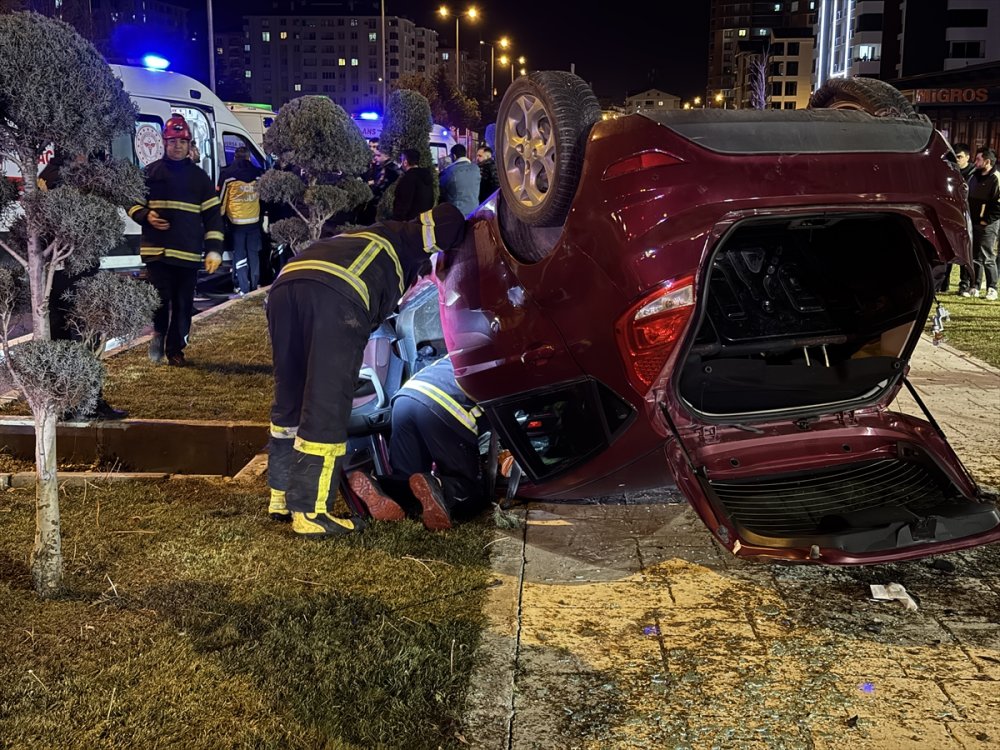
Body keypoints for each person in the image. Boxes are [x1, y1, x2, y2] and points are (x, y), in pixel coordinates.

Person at [266, 204, 467, 539]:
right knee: (327, 402)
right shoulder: (413, 247)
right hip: (337, 296)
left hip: (286, 286)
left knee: (290, 395)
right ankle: (311, 512)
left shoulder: (378, 233)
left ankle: (282, 496)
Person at [348, 356, 488, 530]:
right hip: (444, 403)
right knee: (472, 490)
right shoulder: (505, 363)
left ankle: (381, 485)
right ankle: (440, 486)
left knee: (406, 478)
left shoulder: (458, 350)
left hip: (405, 398)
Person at [127, 115, 224, 367]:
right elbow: (131, 201)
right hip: (156, 252)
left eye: (182, 141)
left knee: (183, 305)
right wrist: (145, 215)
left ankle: (176, 349)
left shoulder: (200, 178)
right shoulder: (149, 173)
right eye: (172, 141)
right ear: (164, 143)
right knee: (160, 300)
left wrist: (214, 250)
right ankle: (158, 335)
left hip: (188, 253)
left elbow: (213, 216)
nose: (177, 146)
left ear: (189, 144)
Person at [39, 152, 127, 420]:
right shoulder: (55, 178)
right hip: (65, 273)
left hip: (73, 271)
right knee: (74, 339)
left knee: (81, 340)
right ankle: (77, 403)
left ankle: (81, 402)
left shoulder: (55, 176)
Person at [218, 146, 263, 296]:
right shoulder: (258, 174)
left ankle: (243, 287)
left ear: (235, 158)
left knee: (239, 255)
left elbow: (222, 200)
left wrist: (219, 219)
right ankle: (255, 285)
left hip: (236, 223)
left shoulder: (228, 175)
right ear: (249, 158)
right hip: (255, 222)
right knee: (253, 254)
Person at [958, 147, 999, 300]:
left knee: (987, 255)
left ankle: (992, 287)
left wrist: (985, 219)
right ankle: (975, 285)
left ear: (987, 161)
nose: (975, 162)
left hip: (988, 224)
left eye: (978, 159)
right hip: (973, 222)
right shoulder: (973, 176)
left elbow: (998, 205)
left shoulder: (996, 177)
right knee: (975, 256)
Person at [392, 148, 434, 221]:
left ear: (405, 162)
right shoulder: (425, 176)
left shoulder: (408, 178)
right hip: (424, 220)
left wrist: (398, 220)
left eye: (401, 160)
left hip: (409, 223)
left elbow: (403, 203)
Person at [439, 144, 481, 217]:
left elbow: (441, 190)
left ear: (454, 156)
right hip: (474, 211)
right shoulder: (476, 168)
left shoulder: (449, 171)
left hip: (457, 213)